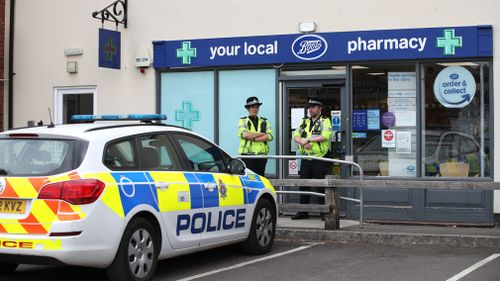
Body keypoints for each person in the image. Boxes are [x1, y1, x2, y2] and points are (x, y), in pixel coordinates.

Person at [291, 98, 333, 220]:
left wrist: (308, 140)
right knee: (303, 185)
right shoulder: (304, 121)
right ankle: (303, 212)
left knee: (320, 185)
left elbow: (325, 136)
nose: (310, 109)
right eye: (309, 107)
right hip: (306, 158)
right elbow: (295, 135)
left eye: (313, 107)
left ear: (320, 108)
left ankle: (324, 212)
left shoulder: (325, 121)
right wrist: (303, 143)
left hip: (320, 158)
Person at [238, 96, 273, 176]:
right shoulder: (243, 120)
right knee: (250, 179)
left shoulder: (264, 121)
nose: (255, 109)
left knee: (260, 178)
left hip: (261, 155)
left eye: (257, 107)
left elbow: (270, 136)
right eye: (252, 107)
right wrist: (262, 134)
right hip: (248, 155)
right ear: (248, 109)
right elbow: (245, 135)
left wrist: (253, 138)